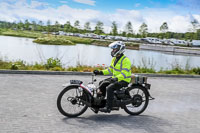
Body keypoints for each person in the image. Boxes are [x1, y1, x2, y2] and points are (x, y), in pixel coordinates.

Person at [93, 41, 132, 112]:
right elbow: (110, 70)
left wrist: (116, 78)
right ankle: (99, 103)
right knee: (102, 83)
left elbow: (124, 74)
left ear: (119, 49)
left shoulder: (126, 60)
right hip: (116, 78)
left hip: (124, 80)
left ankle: (108, 107)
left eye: (114, 49)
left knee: (109, 88)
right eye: (112, 49)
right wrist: (100, 72)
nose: (112, 51)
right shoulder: (114, 59)